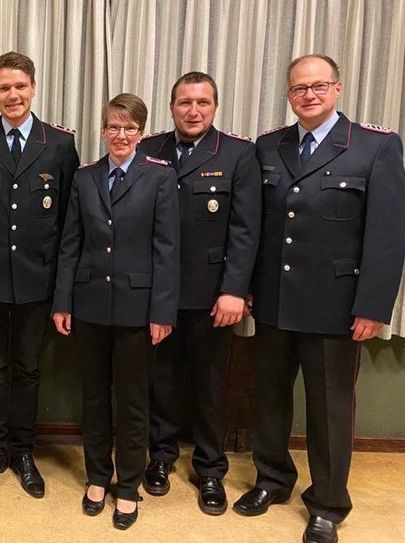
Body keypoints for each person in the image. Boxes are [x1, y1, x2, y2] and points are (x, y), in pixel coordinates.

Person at [234, 54, 405, 543]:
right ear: (289, 94)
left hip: (335, 305)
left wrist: (373, 305)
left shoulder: (375, 146)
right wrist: (244, 286)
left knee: (329, 409)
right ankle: (272, 479)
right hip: (273, 301)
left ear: (338, 89)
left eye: (318, 86)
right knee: (268, 398)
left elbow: (388, 235)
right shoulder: (269, 146)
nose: (308, 95)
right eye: (299, 88)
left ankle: (328, 504)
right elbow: (255, 227)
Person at [52, 93, 180, 530]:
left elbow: (167, 249)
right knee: (93, 397)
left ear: (141, 133)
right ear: (103, 130)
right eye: (113, 126)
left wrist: (162, 311)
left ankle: (128, 485)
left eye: (129, 128)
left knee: (131, 402)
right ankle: (97, 478)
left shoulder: (160, 177)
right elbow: (71, 243)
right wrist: (63, 301)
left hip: (137, 309)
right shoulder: (86, 177)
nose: (120, 135)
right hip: (88, 306)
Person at [0, 51, 79, 498]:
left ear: (33, 87)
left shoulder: (60, 144)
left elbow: (69, 225)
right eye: (4, 88)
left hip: (38, 282)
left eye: (20, 86)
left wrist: (63, 292)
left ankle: (23, 450)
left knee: (27, 370)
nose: (13, 95)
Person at [138, 71, 261, 514]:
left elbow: (246, 231)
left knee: (210, 383)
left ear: (214, 106)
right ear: (171, 106)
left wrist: (234, 290)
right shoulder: (148, 149)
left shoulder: (238, 153)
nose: (193, 111)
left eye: (203, 103)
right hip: (156, 292)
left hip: (212, 296)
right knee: (161, 379)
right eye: (185, 102)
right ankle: (161, 457)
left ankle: (211, 470)